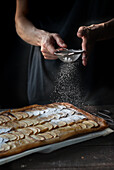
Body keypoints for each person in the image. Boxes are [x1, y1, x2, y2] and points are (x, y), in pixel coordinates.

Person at [15, 0, 114, 105]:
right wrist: (41, 38)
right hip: (46, 73)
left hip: (101, 74)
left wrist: (101, 30)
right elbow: (20, 18)